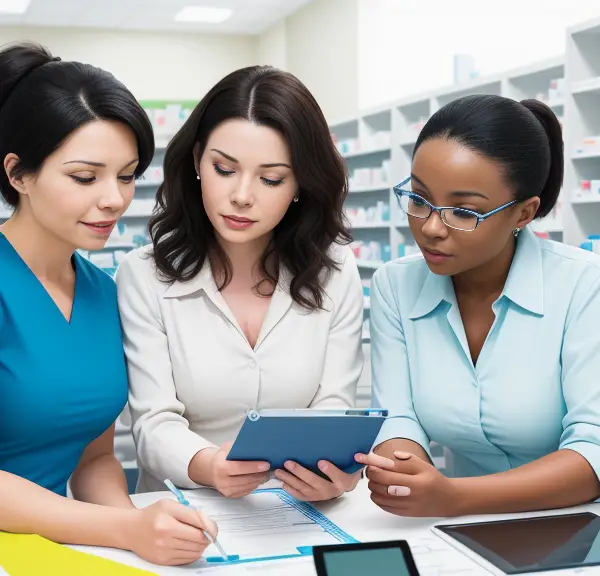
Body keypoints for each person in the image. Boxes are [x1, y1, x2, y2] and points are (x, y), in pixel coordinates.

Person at [0, 42, 216, 566]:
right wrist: (125, 528)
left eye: (126, 175)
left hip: (48, 545)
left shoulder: (104, 293)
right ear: (18, 174)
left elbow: (94, 457)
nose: (115, 199)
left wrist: (144, 539)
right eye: (85, 176)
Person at [116, 65, 364, 501]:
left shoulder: (336, 270)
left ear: (300, 184)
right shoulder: (143, 275)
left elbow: (334, 407)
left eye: (271, 178)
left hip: (303, 510)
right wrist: (210, 465)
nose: (242, 195)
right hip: (183, 510)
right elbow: (153, 423)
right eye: (224, 169)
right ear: (196, 162)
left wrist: (335, 470)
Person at [356, 94, 600, 517]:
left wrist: (453, 497)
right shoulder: (395, 284)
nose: (431, 228)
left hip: (578, 526)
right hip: (456, 527)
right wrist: (402, 469)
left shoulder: (584, 285)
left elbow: (594, 450)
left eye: (464, 212)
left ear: (524, 213)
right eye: (419, 200)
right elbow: (398, 415)